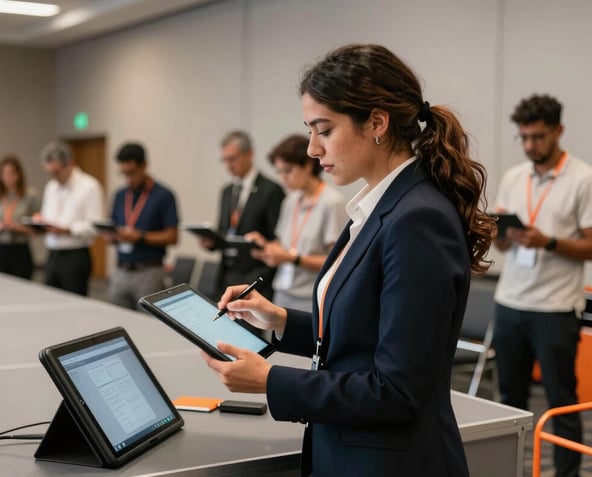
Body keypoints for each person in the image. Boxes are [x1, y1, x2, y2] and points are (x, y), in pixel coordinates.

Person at [201, 44, 495, 477]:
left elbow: (394, 390)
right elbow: (364, 336)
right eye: (309, 130)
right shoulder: (381, 206)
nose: (312, 149)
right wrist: (280, 319)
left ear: (377, 122)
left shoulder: (417, 220)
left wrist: (271, 381)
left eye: (323, 130)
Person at [492, 94, 592, 477]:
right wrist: (500, 234)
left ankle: (566, 473)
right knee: (508, 402)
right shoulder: (514, 177)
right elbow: (502, 242)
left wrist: (547, 241)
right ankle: (507, 469)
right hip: (510, 302)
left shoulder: (582, 179)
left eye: (538, 137)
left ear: (558, 131)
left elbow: (590, 245)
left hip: (555, 309)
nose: (531, 145)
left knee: (560, 401)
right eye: (525, 138)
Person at [245, 134, 346, 311]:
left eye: (288, 171)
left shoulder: (331, 203)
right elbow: (282, 245)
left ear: (307, 166)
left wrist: (294, 259)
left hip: (311, 300)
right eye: (279, 172)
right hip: (282, 294)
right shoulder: (291, 201)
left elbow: (337, 263)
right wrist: (265, 247)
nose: (283, 178)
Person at [198, 130, 285, 300]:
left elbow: (278, 239)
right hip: (225, 276)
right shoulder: (227, 191)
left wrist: (261, 279)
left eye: (233, 159)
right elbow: (226, 232)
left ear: (249, 154)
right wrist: (211, 242)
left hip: (255, 278)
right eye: (225, 160)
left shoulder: (271, 190)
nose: (228, 165)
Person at [102, 143, 179, 310]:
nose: (128, 178)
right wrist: (111, 236)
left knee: (148, 327)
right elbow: (112, 226)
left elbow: (172, 236)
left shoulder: (163, 195)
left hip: (149, 272)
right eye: (124, 173)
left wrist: (141, 237)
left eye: (132, 173)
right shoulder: (120, 195)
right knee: (117, 320)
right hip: (121, 270)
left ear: (144, 166)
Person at [37, 141, 103, 296]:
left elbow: (95, 226)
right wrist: (40, 222)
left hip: (75, 255)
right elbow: (48, 215)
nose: (54, 176)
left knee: (74, 303)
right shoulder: (51, 186)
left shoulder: (89, 186)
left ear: (70, 165)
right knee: (50, 301)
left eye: (57, 172)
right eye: (50, 173)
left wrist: (67, 230)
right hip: (53, 253)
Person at [0, 155, 41, 280]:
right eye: (4, 174)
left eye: (11, 173)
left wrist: (18, 227)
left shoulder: (30, 195)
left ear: (18, 174)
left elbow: (37, 228)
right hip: (0, 248)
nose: (8, 177)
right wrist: (0, 226)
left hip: (20, 248)